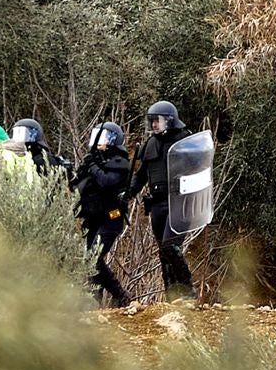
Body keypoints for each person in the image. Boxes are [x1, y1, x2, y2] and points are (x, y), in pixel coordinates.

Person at [128, 100, 195, 299]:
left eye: (157, 121)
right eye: (152, 121)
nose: (154, 125)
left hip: (179, 202)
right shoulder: (150, 144)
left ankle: (188, 289)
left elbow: (198, 168)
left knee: (170, 246)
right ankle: (172, 296)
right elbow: (140, 175)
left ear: (169, 120)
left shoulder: (185, 140)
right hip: (157, 204)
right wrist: (129, 192)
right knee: (163, 252)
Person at [71, 121, 132, 307]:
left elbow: (107, 181)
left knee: (93, 258)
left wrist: (93, 166)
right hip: (92, 218)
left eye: (104, 138)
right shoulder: (93, 160)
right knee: (88, 260)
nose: (99, 142)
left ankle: (120, 294)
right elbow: (78, 185)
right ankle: (94, 299)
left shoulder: (120, 163)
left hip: (111, 219)